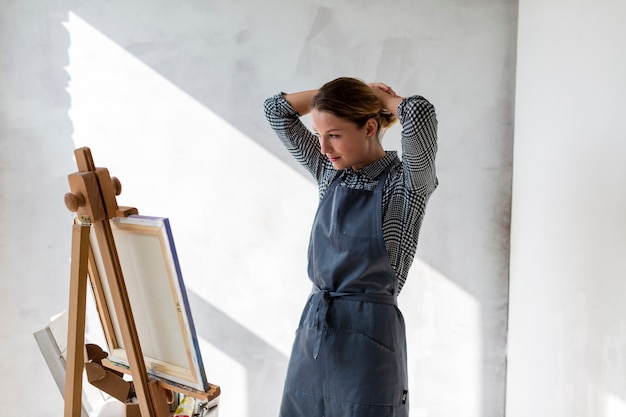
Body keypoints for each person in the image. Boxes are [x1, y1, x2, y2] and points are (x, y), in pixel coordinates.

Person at [263, 77, 438, 417]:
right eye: (318, 135)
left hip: (370, 339)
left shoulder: (407, 186)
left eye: (335, 135)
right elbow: (276, 110)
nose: (324, 148)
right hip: (314, 332)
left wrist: (378, 98)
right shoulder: (330, 173)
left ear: (370, 127)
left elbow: (418, 112)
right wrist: (335, 96)